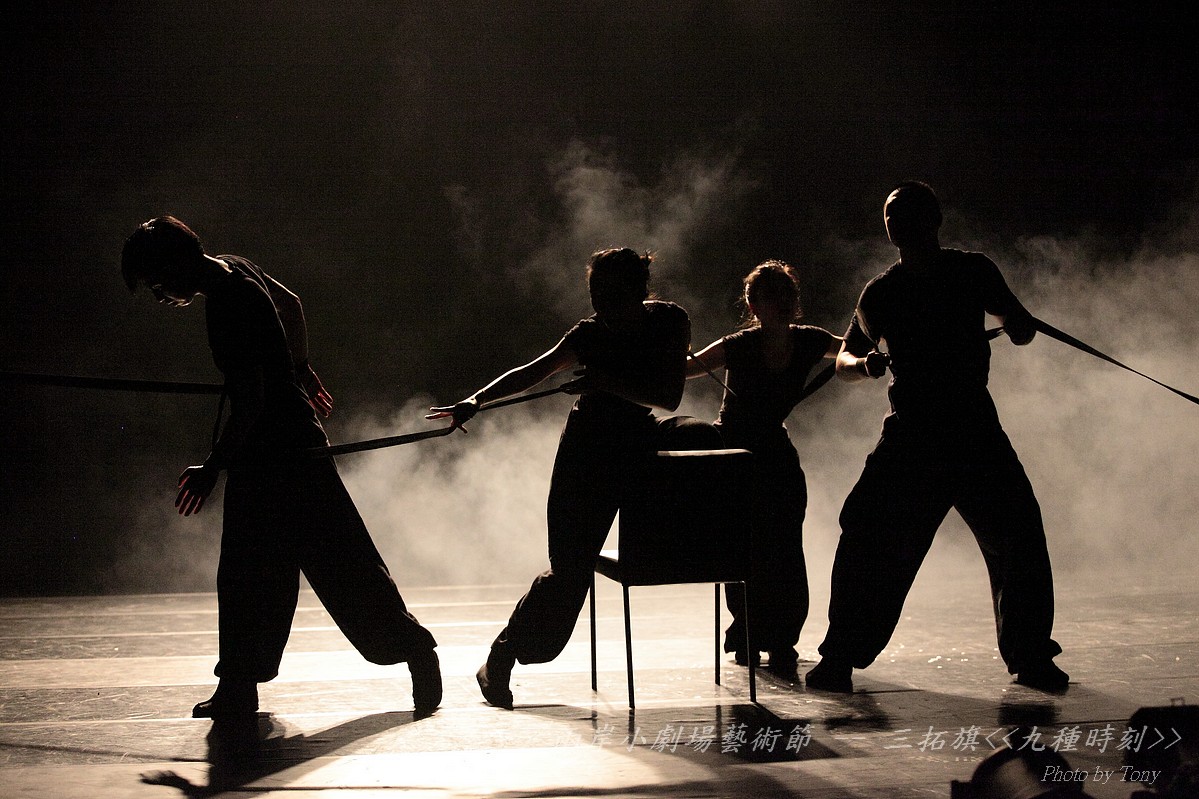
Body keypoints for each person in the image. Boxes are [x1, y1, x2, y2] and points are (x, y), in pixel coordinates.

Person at [120, 216, 442, 718]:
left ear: (176, 263)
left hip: (275, 452)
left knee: (292, 568)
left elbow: (251, 402)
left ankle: (407, 650)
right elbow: (290, 305)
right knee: (290, 566)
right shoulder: (235, 267)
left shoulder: (227, 306)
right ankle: (244, 682)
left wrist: (212, 467)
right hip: (290, 442)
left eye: (157, 282)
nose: (160, 296)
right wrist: (299, 367)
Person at [428, 247, 722, 709]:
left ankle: (702, 554)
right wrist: (476, 400)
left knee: (701, 435)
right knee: (569, 574)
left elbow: (668, 397)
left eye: (611, 295)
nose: (600, 305)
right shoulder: (589, 332)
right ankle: (502, 657)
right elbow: (535, 370)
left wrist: (604, 382)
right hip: (586, 453)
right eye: (595, 295)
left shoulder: (669, 321)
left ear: (639, 292)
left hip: (638, 440)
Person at [804, 182, 1069, 693]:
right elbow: (844, 359)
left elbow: (1017, 324)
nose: (894, 221)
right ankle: (839, 655)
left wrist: (1019, 326)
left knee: (1018, 539)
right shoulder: (881, 291)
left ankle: (1032, 655)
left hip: (972, 427)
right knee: (867, 535)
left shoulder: (973, 270)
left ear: (934, 219)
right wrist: (864, 364)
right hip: (913, 432)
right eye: (889, 214)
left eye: (904, 212)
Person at [686, 260, 840, 679]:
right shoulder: (738, 344)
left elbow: (850, 350)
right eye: (774, 296)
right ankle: (750, 632)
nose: (784, 303)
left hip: (774, 451)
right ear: (754, 305)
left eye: (788, 294)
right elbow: (684, 368)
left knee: (786, 544)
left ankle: (782, 636)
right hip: (735, 454)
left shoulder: (810, 340)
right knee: (745, 546)